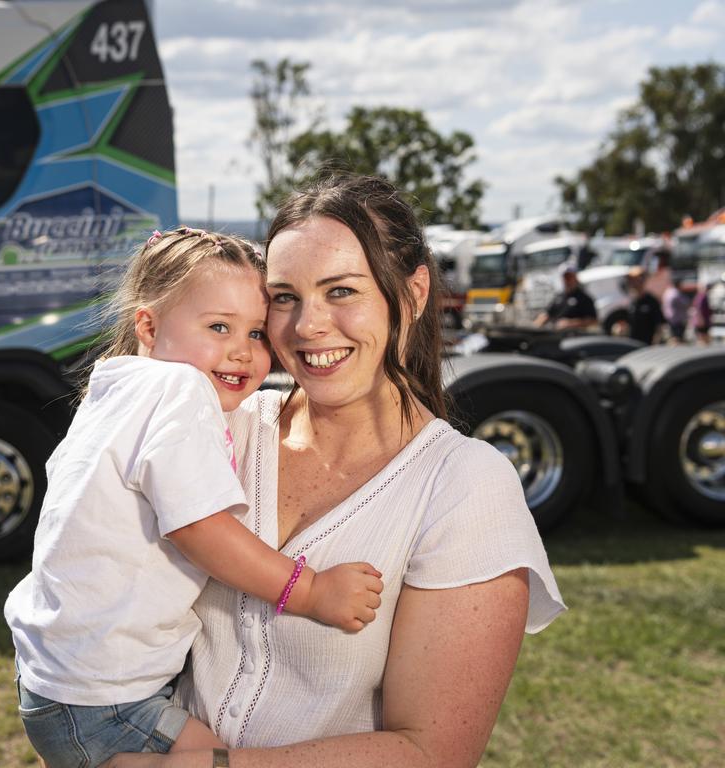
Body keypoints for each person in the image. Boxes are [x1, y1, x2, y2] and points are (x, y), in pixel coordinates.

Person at [103, 175, 565, 768]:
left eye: (341, 291)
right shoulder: (225, 431)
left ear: (414, 292)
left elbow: (433, 752)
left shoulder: (463, 487)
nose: (306, 326)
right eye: (285, 297)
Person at [3, 227, 384, 768]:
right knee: (219, 760)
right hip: (105, 697)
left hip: (58, 683)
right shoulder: (180, 390)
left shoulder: (115, 387)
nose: (241, 351)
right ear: (148, 325)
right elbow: (198, 527)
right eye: (218, 327)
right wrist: (310, 590)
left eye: (256, 333)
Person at [533, 261, 597, 329]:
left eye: (569, 277)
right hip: (556, 334)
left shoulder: (584, 298)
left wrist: (571, 323)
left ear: (575, 277)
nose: (567, 280)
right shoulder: (559, 297)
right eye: (565, 277)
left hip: (575, 335)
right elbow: (547, 314)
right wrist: (536, 325)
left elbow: (594, 321)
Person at [621, 266, 664, 345]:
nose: (632, 283)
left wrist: (655, 344)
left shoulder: (651, 301)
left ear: (642, 280)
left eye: (635, 280)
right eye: (630, 280)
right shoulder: (632, 301)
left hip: (646, 346)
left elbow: (659, 325)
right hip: (632, 345)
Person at [661, 278, 690, 343]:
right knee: (678, 336)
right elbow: (686, 303)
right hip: (678, 318)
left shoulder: (667, 292)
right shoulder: (676, 293)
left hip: (669, 317)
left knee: (673, 334)